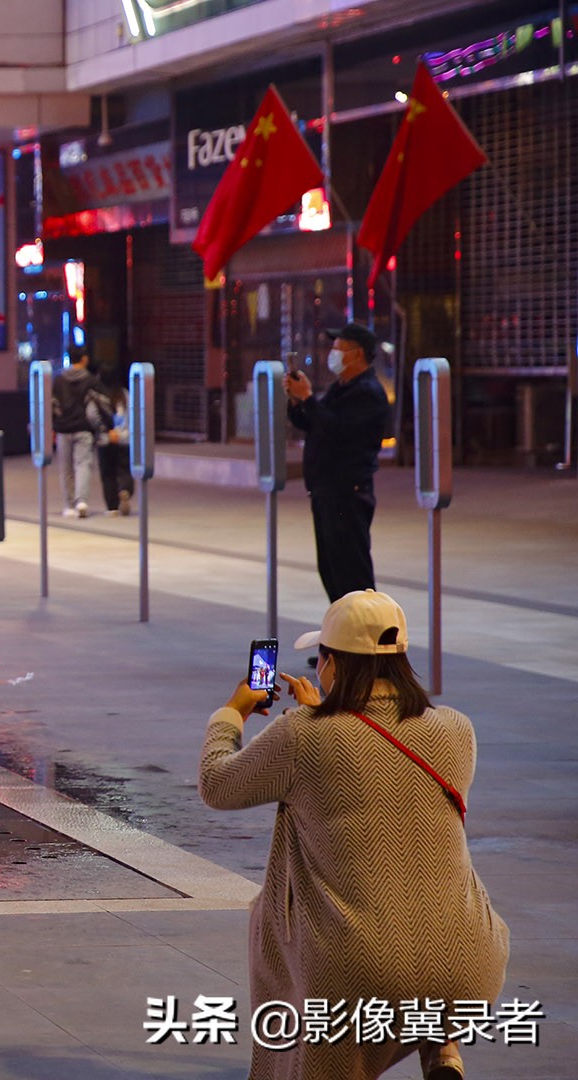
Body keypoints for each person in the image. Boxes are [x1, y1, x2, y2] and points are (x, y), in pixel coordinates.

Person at [200, 589, 508, 1080]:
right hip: (470, 966)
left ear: (332, 665)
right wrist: (322, 712)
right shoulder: (456, 729)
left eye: (319, 656)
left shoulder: (302, 734)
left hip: (359, 974)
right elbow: (374, 766)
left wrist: (232, 712)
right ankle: (442, 1048)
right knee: (417, 890)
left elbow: (217, 784)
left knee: (296, 925)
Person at [288, 322, 392, 603]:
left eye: (338, 348)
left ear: (357, 354)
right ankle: (343, 636)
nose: (331, 354)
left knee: (352, 575)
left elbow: (337, 429)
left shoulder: (368, 392)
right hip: (326, 493)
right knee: (331, 570)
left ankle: (365, 636)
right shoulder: (341, 387)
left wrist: (308, 398)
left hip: (348, 494)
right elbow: (313, 423)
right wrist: (298, 402)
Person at [50, 344, 107, 518]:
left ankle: (69, 505)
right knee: (83, 465)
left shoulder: (59, 380)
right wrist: (102, 428)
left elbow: (53, 404)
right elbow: (99, 406)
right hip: (84, 429)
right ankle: (81, 501)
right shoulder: (91, 380)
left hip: (63, 429)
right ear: (84, 359)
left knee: (65, 468)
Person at [97, 385, 135, 516]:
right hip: (124, 439)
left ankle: (112, 507)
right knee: (125, 469)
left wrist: (105, 433)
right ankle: (125, 489)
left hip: (105, 440)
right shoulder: (125, 394)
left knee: (108, 474)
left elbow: (93, 415)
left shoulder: (98, 394)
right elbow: (131, 415)